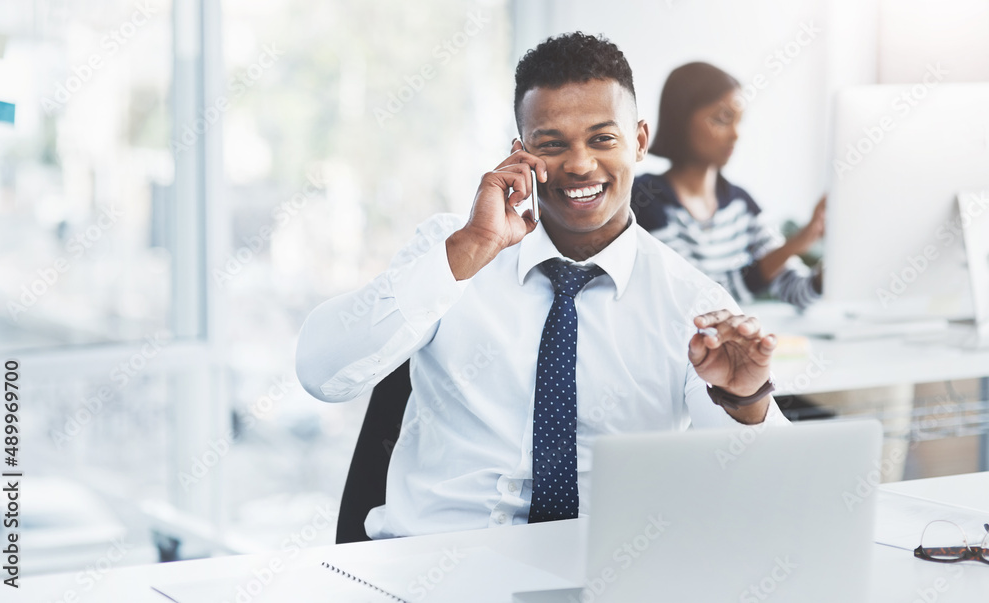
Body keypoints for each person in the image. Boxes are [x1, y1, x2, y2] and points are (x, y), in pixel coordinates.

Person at [296, 33, 786, 540]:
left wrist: (746, 401)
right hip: (435, 567)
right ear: (521, 152)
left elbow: (756, 498)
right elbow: (322, 373)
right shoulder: (452, 249)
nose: (578, 164)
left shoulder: (692, 303)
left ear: (639, 141)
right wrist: (466, 252)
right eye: (552, 144)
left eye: (602, 139)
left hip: (602, 573)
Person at [631, 62, 825, 310]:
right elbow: (699, 302)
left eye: (738, 121)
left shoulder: (741, 204)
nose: (736, 134)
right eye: (722, 119)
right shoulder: (646, 200)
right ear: (680, 119)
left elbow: (796, 291)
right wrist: (797, 243)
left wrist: (832, 269)